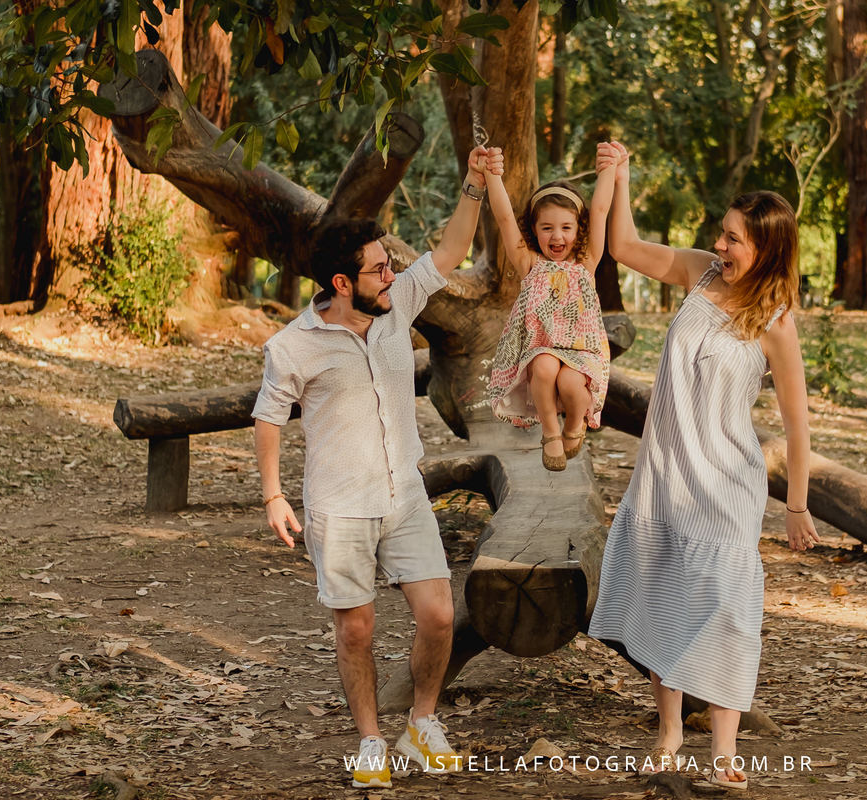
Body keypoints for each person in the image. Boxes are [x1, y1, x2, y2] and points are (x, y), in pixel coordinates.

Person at [251, 147, 490, 789]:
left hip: (404, 492)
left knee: (439, 615)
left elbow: (447, 254)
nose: (392, 276)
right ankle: (369, 740)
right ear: (341, 283)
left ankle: (421, 723)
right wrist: (274, 496)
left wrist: (473, 183)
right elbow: (268, 418)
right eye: (379, 270)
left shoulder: (395, 307)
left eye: (390, 267)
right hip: (339, 505)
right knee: (356, 627)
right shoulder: (292, 347)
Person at [587, 142, 821, 791]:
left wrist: (795, 505)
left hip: (727, 483)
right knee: (663, 595)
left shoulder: (775, 320)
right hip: (666, 475)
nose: (720, 244)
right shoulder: (698, 273)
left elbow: (799, 423)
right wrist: (621, 176)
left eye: (734, 238)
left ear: (767, 248)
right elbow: (625, 245)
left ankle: (723, 753)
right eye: (722, 232)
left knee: (726, 608)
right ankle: (666, 734)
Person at [482, 145, 615, 471]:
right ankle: (551, 433)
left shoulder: (586, 263)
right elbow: (502, 217)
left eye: (566, 228)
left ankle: (573, 425)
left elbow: (598, 211)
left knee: (572, 384)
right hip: (540, 348)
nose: (557, 236)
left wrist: (608, 169)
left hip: (581, 351)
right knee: (543, 366)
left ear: (578, 230)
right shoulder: (529, 262)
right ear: (534, 230)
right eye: (547, 228)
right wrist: (491, 174)